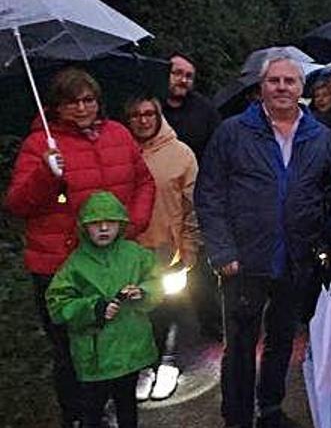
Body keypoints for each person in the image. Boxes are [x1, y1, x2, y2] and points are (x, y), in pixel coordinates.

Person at [4, 68, 155, 427]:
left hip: (115, 261)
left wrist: (132, 224)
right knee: (72, 351)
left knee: (118, 337)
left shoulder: (118, 133)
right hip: (61, 264)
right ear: (56, 107)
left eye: (89, 99)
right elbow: (17, 205)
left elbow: (144, 182)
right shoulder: (39, 145)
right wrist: (45, 174)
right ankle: (79, 417)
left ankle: (121, 412)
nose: (82, 107)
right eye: (72, 102)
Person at [195, 55, 331, 428]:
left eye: (290, 81)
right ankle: (237, 416)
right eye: (274, 80)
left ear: (302, 88)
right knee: (240, 346)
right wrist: (222, 250)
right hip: (243, 260)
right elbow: (209, 193)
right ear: (261, 87)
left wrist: (321, 244)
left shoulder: (321, 137)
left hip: (295, 259)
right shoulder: (233, 132)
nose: (282, 87)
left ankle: (270, 408)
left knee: (282, 341)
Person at [45, 191, 162, 428]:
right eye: (96, 224)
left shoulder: (135, 254)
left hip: (131, 350)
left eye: (111, 223)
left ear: (121, 225)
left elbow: (156, 280)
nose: (104, 228)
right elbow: (57, 304)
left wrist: (144, 291)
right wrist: (94, 309)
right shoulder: (76, 264)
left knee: (127, 404)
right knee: (93, 408)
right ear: (84, 227)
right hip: (95, 356)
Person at [124, 95, 199, 401]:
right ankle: (145, 365)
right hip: (130, 249)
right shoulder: (119, 150)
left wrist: (191, 244)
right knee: (138, 309)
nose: (143, 121)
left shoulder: (181, 154)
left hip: (169, 246)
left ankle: (169, 362)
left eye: (148, 114)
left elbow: (193, 203)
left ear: (158, 116)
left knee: (173, 304)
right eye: (136, 115)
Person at [163, 52, 223, 340]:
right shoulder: (151, 109)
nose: (182, 80)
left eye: (188, 76)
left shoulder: (205, 111)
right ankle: (162, 330)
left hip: (196, 199)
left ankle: (210, 326)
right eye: (177, 73)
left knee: (200, 268)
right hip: (160, 200)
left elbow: (217, 152)